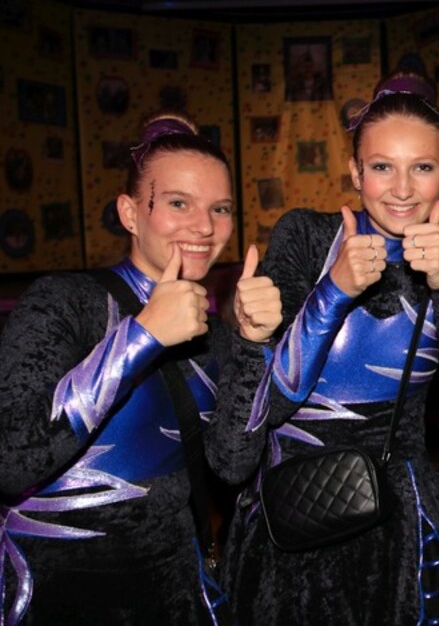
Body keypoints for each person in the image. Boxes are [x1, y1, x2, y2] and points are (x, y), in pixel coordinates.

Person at [215, 70, 439, 623]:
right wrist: (334, 291)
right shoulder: (307, 236)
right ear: (355, 171)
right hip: (293, 512)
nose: (402, 189)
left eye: (422, 167)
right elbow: (272, 402)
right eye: (382, 167)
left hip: (403, 523)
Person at [0, 110, 281, 624]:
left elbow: (233, 465)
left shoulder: (214, 333)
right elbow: (12, 460)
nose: (205, 226)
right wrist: (141, 336)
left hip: (174, 590)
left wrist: (252, 345)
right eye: (178, 202)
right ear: (130, 214)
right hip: (55, 594)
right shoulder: (66, 302)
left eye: (220, 208)